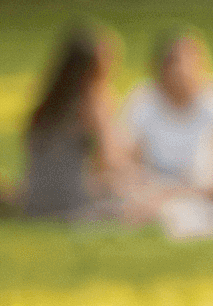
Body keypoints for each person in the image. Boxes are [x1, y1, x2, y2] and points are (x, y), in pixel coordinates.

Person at [10, 23, 160, 221]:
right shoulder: (94, 101)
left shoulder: (48, 103)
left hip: (36, 203)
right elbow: (110, 162)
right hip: (74, 206)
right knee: (155, 199)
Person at [120, 29, 213, 192]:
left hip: (209, 190)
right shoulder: (142, 99)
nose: (181, 71)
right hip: (152, 188)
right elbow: (124, 154)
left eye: (189, 62)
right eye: (173, 63)